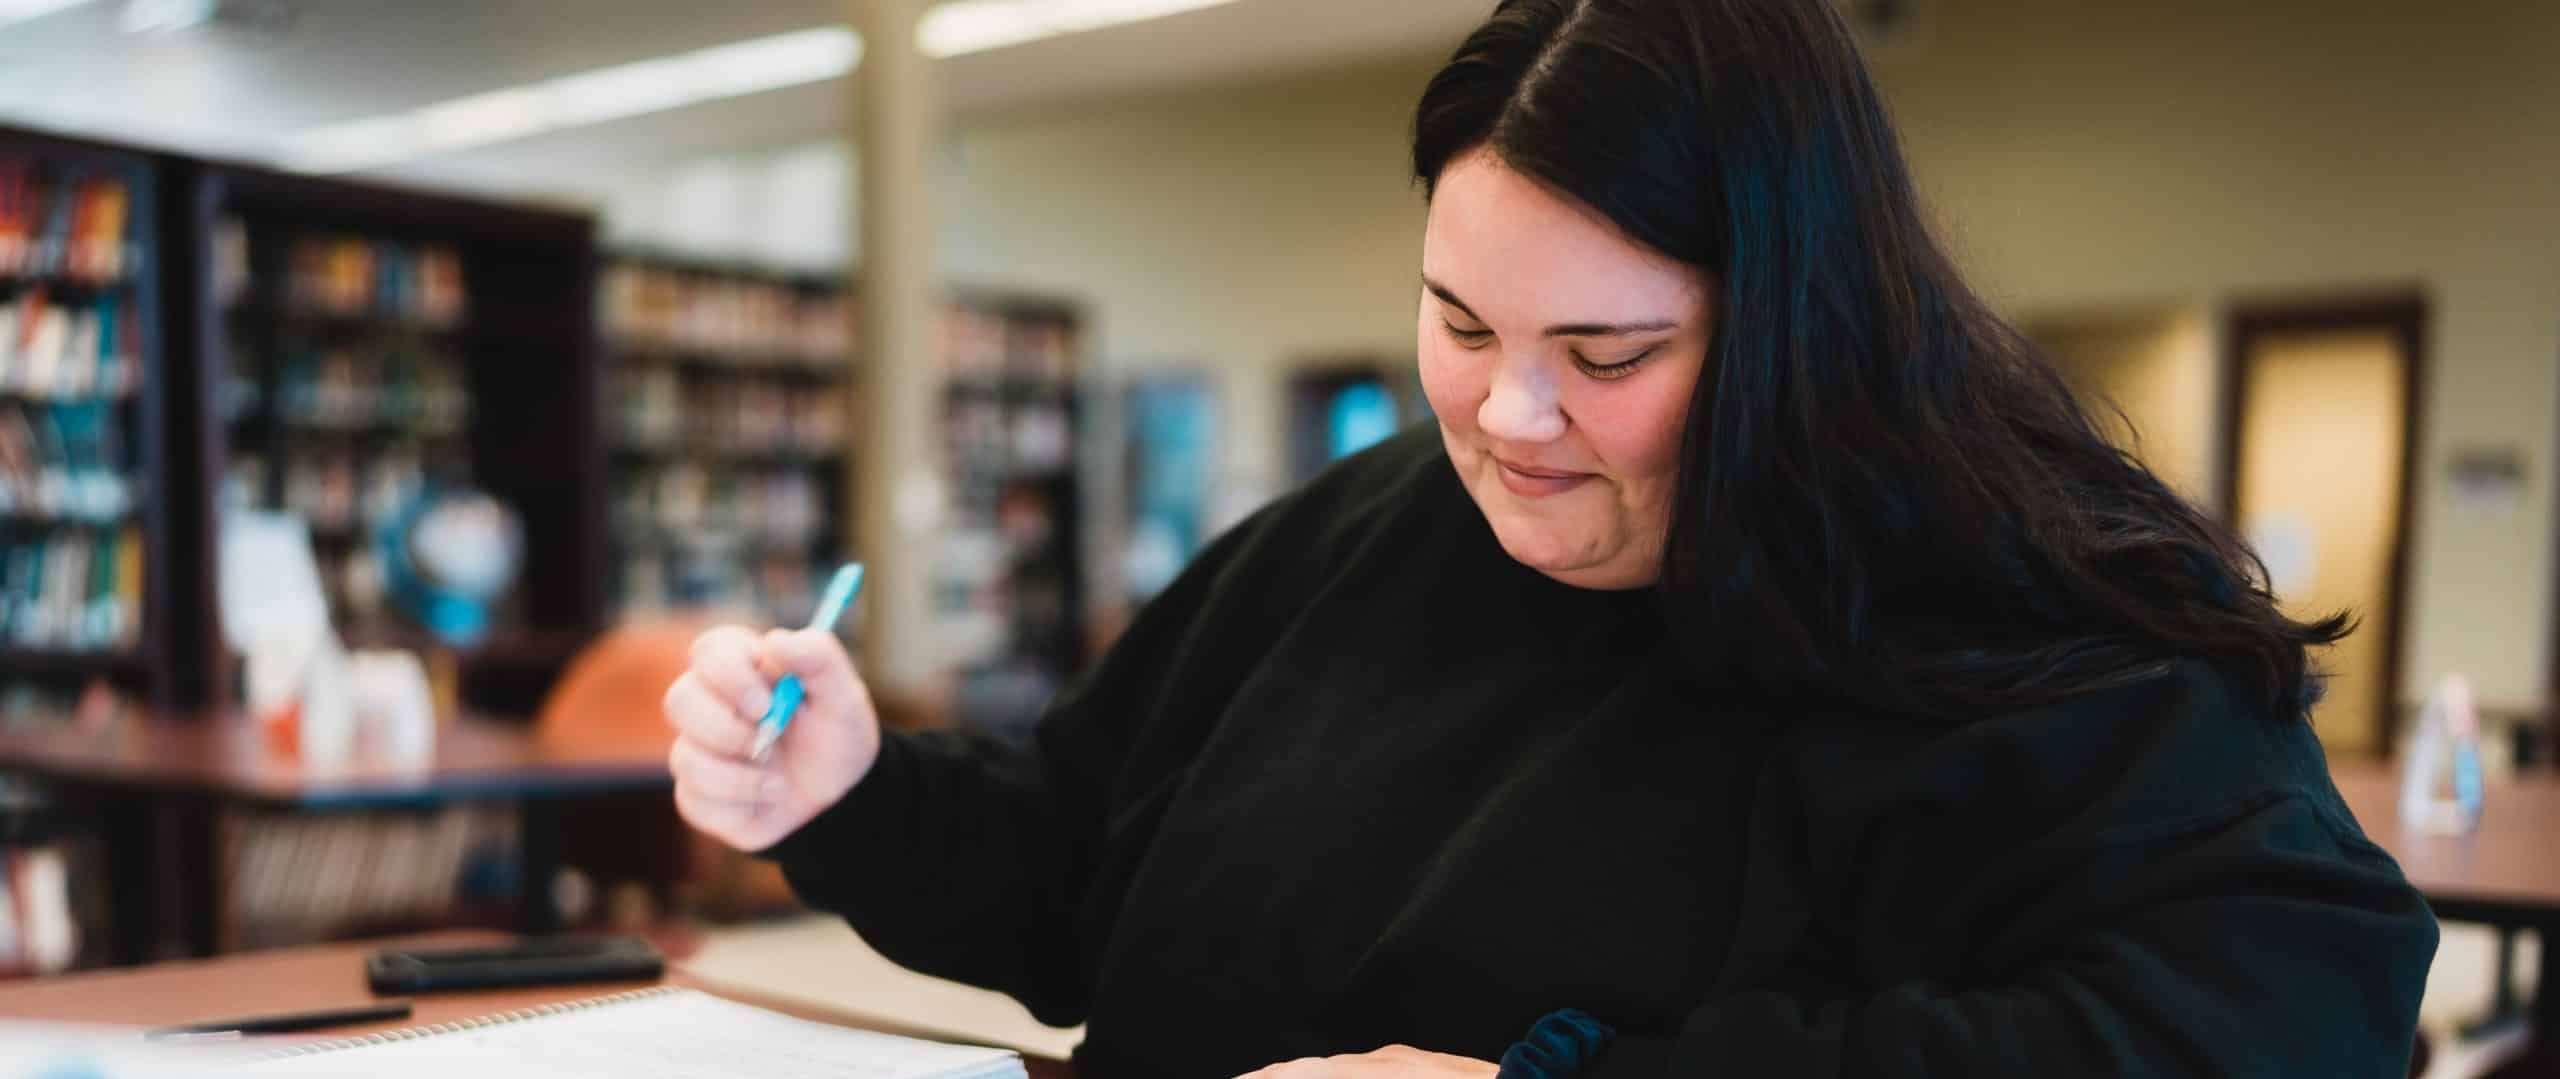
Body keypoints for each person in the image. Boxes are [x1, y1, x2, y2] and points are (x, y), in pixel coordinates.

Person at [663, 0, 2438, 1075]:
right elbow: (1076, 869)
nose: (1509, 420)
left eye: (1610, 358)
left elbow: (2282, 1027)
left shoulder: (2015, 611)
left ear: (1796, 334)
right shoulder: (1369, 530)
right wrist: (855, 792)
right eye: (1458, 324)